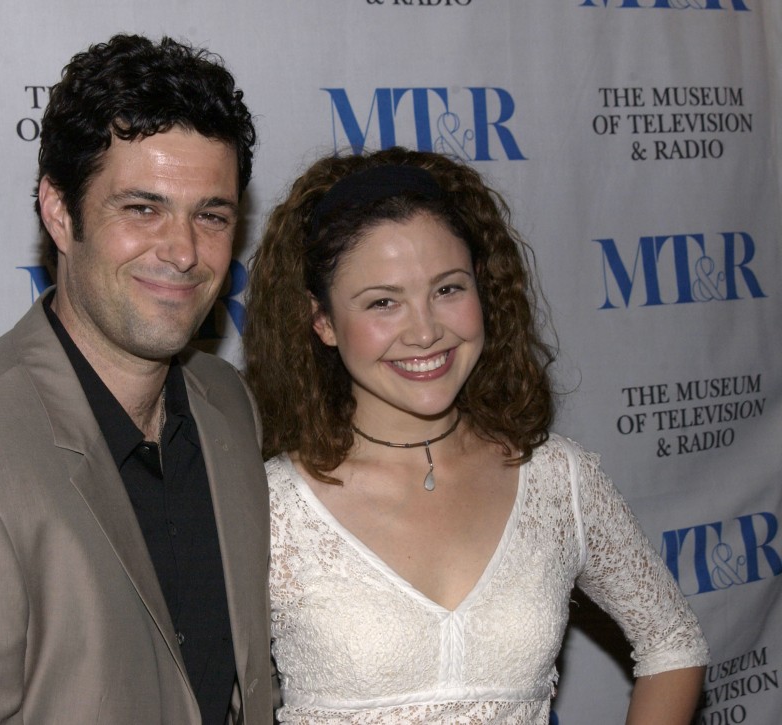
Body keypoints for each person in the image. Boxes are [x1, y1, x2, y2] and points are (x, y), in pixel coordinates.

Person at [0, 34, 273, 724]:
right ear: (59, 211)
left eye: (211, 216)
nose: (184, 250)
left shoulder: (228, 404)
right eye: (142, 208)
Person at [243, 147, 709, 723]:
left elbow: (672, 641)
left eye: (448, 289)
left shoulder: (558, 480)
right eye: (383, 302)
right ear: (322, 323)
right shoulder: (270, 506)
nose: (425, 331)